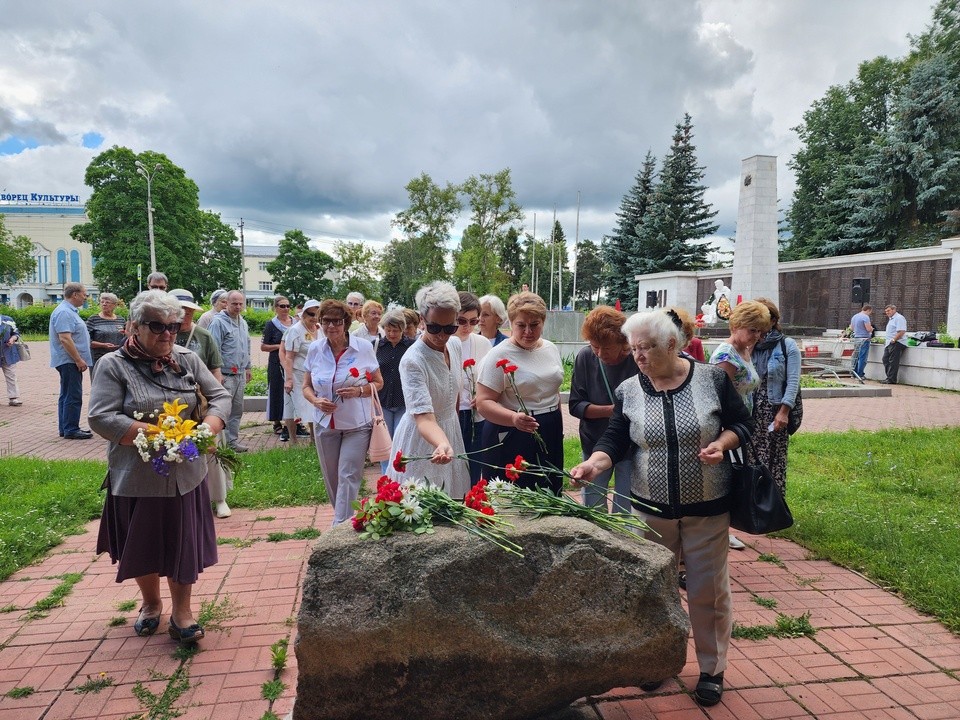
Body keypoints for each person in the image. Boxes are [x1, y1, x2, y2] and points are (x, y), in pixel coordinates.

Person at [570, 308, 753, 707]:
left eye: (646, 348)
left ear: (672, 344)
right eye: (634, 349)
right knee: (655, 591)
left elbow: (742, 425)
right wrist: (591, 464)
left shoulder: (712, 379)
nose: (638, 356)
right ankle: (659, 661)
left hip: (707, 506)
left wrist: (722, 445)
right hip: (649, 510)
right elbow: (616, 440)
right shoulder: (630, 391)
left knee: (708, 591)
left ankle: (712, 668)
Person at [89, 290, 231, 645]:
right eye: (157, 326)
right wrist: (160, 434)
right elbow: (101, 417)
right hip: (137, 475)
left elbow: (220, 397)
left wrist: (206, 429)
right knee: (144, 544)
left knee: (183, 543)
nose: (168, 334)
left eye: (173, 326)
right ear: (134, 326)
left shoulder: (186, 359)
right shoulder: (113, 365)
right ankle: (151, 603)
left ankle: (182, 613)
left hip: (185, 473)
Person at [386, 282, 471, 498]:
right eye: (434, 328)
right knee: (422, 506)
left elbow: (455, 395)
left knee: (453, 502)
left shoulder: (455, 345)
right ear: (422, 320)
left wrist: (452, 434)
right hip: (422, 439)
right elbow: (424, 418)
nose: (442, 335)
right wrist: (442, 442)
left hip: (450, 431)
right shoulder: (413, 361)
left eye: (450, 328)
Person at [302, 299, 383, 525]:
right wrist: (316, 401)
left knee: (348, 475)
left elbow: (378, 383)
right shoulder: (315, 349)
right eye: (326, 321)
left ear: (346, 322)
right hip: (325, 424)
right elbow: (306, 387)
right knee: (332, 480)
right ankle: (345, 518)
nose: (331, 326)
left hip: (356, 425)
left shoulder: (363, 348)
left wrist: (359, 391)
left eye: (336, 321)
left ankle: (339, 527)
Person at [476, 291, 564, 494]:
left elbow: (554, 390)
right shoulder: (498, 355)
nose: (528, 331)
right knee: (516, 493)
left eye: (534, 325)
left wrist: (556, 422)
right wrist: (513, 418)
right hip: (513, 431)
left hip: (549, 427)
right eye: (521, 325)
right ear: (511, 323)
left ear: (543, 322)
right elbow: (483, 403)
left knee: (549, 490)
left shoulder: (550, 349)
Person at [709, 299, 771, 550]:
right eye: (752, 329)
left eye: (760, 330)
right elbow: (716, 394)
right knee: (726, 480)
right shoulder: (726, 355)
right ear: (736, 326)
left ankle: (724, 529)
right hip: (728, 428)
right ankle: (718, 532)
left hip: (741, 426)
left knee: (734, 479)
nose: (757, 335)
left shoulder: (745, 350)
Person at [169, 289, 233, 519]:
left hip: (202, 404)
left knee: (209, 449)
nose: (184, 314)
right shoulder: (164, 335)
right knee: (177, 452)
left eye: (188, 310)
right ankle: (185, 499)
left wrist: (214, 400)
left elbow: (216, 370)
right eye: (179, 310)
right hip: (172, 407)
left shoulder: (203, 336)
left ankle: (219, 499)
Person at [568, 306, 638, 514]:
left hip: (630, 444)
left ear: (623, 342)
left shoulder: (637, 359)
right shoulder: (585, 357)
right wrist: (612, 411)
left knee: (626, 505)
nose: (599, 353)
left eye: (606, 348)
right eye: (594, 346)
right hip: (594, 441)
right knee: (592, 504)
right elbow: (575, 405)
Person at [750, 299, 801, 495]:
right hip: (751, 411)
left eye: (762, 318)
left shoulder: (787, 345)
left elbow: (793, 382)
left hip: (773, 412)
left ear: (772, 320)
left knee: (773, 461)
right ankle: (751, 507)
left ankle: (772, 509)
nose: (758, 325)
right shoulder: (750, 343)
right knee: (751, 461)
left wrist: (784, 412)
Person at [455, 292, 493, 483]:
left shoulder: (482, 343)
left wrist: (481, 396)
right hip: (452, 415)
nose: (468, 327)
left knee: (474, 466)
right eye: (462, 321)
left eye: (473, 321)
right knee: (453, 465)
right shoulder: (443, 341)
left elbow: (489, 377)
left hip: (475, 413)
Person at [208, 291, 252, 452]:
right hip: (225, 375)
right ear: (226, 303)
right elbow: (214, 350)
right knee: (222, 410)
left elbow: (247, 345)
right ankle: (220, 444)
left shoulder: (243, 323)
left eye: (241, 303)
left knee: (236, 410)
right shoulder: (218, 322)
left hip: (239, 373)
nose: (238, 307)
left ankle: (232, 441)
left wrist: (248, 367)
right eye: (234, 303)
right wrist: (216, 373)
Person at [50, 282, 94, 439]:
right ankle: (71, 428)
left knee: (67, 394)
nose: (85, 297)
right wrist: (78, 359)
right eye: (84, 294)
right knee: (73, 394)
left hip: (69, 360)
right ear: (75, 294)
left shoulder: (68, 311)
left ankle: (66, 427)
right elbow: (65, 338)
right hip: (69, 361)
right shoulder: (64, 312)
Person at [375, 307, 414, 473]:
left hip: (404, 401)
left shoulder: (412, 346)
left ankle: (400, 476)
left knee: (401, 441)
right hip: (382, 401)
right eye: (388, 330)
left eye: (395, 330)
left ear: (402, 329)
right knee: (385, 443)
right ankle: (386, 476)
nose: (391, 334)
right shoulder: (376, 346)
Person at [282, 299, 321, 444]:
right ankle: (293, 440)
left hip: (314, 373)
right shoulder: (295, 330)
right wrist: (289, 379)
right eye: (311, 314)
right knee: (293, 405)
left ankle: (313, 438)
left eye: (317, 314)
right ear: (303, 314)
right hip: (297, 373)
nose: (314, 317)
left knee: (312, 404)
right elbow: (289, 356)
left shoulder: (319, 328)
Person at [261, 296, 295, 439]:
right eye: (282, 306)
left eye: (287, 306)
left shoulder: (296, 323)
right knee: (276, 390)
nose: (285, 309)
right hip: (276, 363)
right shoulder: (271, 325)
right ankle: (277, 422)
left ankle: (294, 423)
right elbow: (263, 346)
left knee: (292, 392)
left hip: (292, 363)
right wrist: (279, 346)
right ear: (276, 308)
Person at [87, 293, 127, 373]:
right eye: (102, 302)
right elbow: (86, 340)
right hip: (99, 359)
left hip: (118, 358)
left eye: (107, 302)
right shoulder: (93, 319)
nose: (104, 304)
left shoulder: (121, 320)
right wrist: (103, 345)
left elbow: (127, 337)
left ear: (115, 305)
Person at [1, 314, 23, 406]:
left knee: (11, 375)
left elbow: (16, 333)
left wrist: (13, 339)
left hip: (8, 352)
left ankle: (13, 398)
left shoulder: (7, 320)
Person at [882, 304, 907, 384]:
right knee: (885, 359)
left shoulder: (899, 318)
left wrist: (894, 339)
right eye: (886, 311)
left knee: (893, 361)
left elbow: (901, 331)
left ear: (894, 310)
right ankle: (889, 377)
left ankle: (891, 379)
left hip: (897, 343)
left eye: (888, 310)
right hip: (890, 343)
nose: (887, 312)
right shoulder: (891, 319)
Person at [849, 304, 874, 381]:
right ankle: (860, 374)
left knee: (856, 356)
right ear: (868, 310)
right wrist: (871, 329)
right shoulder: (865, 317)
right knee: (862, 357)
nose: (870, 314)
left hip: (856, 338)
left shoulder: (855, 316)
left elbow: (852, 328)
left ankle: (853, 372)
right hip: (864, 338)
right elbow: (868, 329)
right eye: (870, 312)